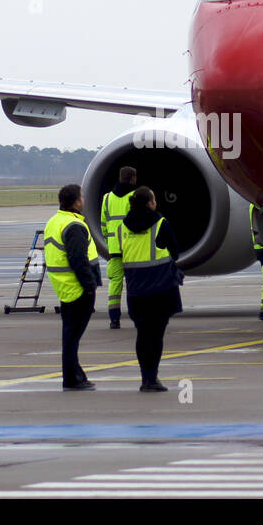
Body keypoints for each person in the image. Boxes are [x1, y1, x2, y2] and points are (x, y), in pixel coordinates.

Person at [116, 186, 182, 392]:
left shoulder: (122, 228)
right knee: (156, 336)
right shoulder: (160, 224)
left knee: (142, 335)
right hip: (160, 290)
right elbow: (176, 252)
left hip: (136, 291)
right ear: (150, 203)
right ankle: (152, 378)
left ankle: (145, 378)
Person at [43, 184, 101, 391]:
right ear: (77, 201)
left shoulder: (54, 221)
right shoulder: (74, 225)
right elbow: (78, 259)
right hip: (77, 288)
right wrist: (89, 286)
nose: (84, 200)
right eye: (82, 197)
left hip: (64, 287)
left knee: (70, 336)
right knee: (72, 338)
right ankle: (72, 378)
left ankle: (75, 374)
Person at [100, 166, 137, 329]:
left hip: (114, 248)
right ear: (132, 178)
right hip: (132, 247)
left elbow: (103, 225)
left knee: (115, 284)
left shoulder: (107, 198)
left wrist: (110, 241)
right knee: (133, 282)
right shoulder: (134, 196)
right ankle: (136, 315)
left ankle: (114, 319)